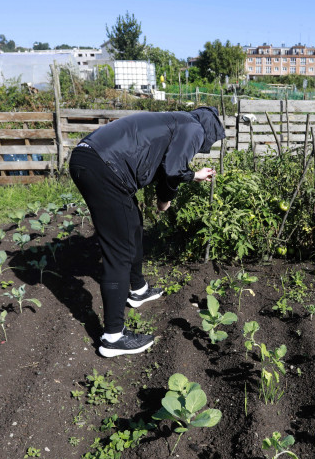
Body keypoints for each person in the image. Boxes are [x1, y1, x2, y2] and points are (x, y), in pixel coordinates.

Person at [69, 106, 224, 357]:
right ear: (208, 131)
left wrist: (192, 175)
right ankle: (112, 338)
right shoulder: (194, 128)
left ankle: (138, 290)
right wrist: (165, 200)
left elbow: (163, 164)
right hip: (103, 167)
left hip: (92, 159)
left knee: (133, 224)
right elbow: (172, 170)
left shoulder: (176, 120)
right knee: (117, 252)